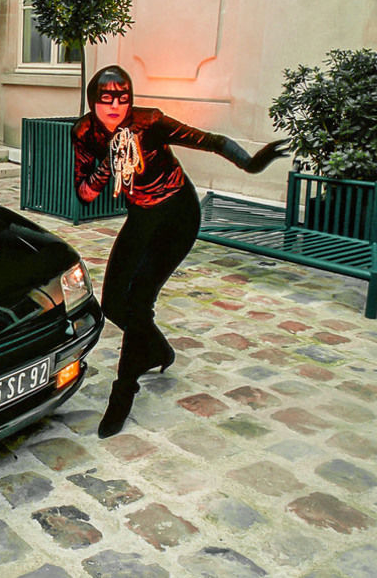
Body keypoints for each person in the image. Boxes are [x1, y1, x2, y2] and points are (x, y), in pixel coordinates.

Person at [73, 65, 287, 438]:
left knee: (139, 302)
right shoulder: (85, 133)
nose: (115, 106)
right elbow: (85, 193)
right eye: (106, 98)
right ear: (93, 102)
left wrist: (253, 163)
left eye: (123, 98)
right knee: (113, 305)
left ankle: (123, 392)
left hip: (178, 214)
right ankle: (156, 349)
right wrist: (108, 163)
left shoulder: (151, 122)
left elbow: (210, 140)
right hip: (142, 215)